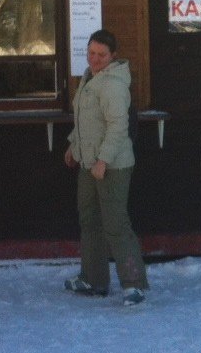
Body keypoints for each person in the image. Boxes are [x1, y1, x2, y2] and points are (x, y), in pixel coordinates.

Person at [63, 28, 149, 306]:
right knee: (90, 222)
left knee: (115, 224)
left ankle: (134, 284)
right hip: (88, 164)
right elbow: (85, 122)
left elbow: (117, 127)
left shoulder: (112, 83)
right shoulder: (89, 78)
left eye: (101, 54)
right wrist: (73, 146)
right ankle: (94, 279)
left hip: (112, 166)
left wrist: (103, 161)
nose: (95, 59)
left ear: (113, 56)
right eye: (91, 53)